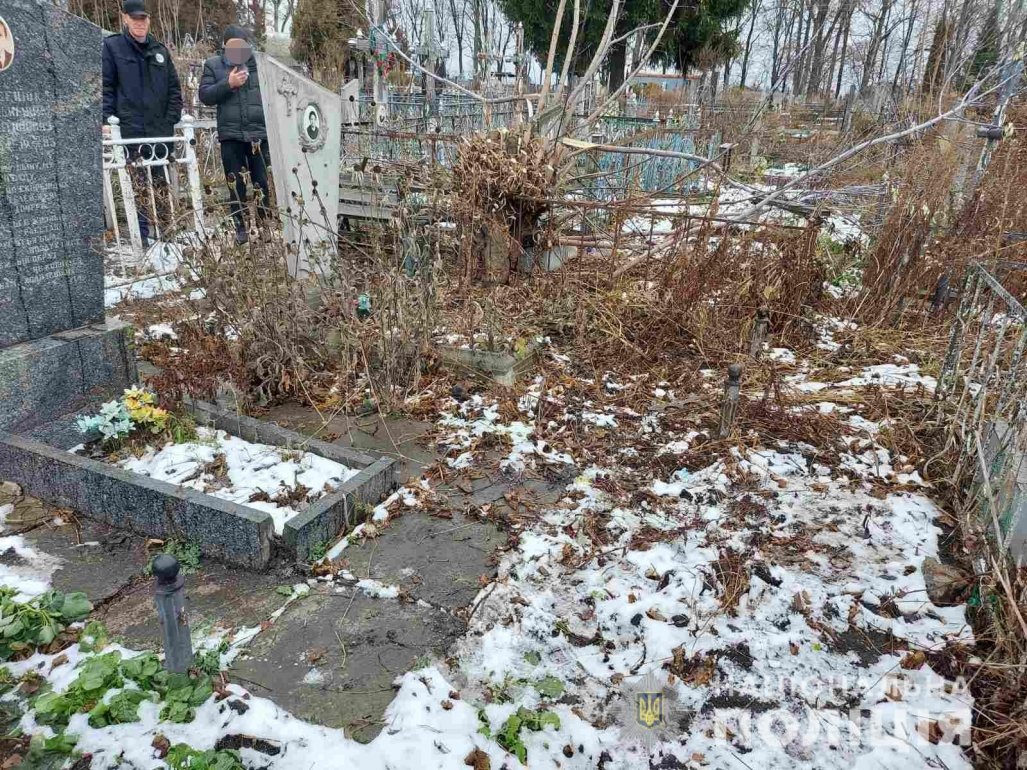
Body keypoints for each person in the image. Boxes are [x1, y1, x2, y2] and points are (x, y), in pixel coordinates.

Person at [101, 0, 182, 246]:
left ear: (149, 20)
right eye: (134, 18)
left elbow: (174, 90)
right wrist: (107, 120)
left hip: (159, 130)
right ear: (125, 18)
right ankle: (143, 237)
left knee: (161, 183)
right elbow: (106, 86)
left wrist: (170, 120)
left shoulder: (160, 50)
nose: (139, 23)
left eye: (143, 18)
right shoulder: (113, 47)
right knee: (138, 186)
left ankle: (167, 234)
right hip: (131, 129)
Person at [199, 25, 269, 245]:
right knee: (235, 184)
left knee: (261, 183)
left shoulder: (260, 64)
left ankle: (265, 225)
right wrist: (228, 84)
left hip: (258, 134)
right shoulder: (214, 65)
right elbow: (205, 95)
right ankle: (240, 227)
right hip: (231, 135)